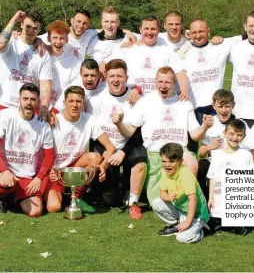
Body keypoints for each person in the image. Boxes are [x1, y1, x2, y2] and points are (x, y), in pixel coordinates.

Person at [113, 67, 213, 206]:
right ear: (155, 82)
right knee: (157, 202)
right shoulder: (145, 101)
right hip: (155, 155)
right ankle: (136, 199)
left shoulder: (184, 102)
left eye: (167, 82)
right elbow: (129, 131)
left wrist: (204, 128)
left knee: (192, 164)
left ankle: (188, 203)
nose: (163, 86)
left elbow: (195, 136)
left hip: (179, 152)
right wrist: (119, 124)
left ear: (174, 84)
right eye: (160, 82)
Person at [87, 59, 147, 219]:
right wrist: (103, 157)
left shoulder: (136, 99)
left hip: (128, 145)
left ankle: (132, 194)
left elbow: (139, 133)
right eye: (112, 76)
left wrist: (122, 152)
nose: (115, 80)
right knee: (110, 200)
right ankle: (112, 184)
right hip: (107, 147)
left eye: (119, 76)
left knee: (140, 156)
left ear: (127, 78)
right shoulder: (96, 99)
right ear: (105, 77)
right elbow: (93, 132)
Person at [0, 83, 55, 217]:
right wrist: (5, 170)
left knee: (36, 212)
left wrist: (38, 178)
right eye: (25, 99)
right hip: (5, 171)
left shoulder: (43, 126)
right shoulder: (5, 115)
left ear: (38, 102)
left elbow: (49, 156)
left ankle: (11, 200)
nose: (29, 103)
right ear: (19, 99)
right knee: (5, 183)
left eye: (33, 99)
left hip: (27, 177)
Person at [46, 86, 115, 214]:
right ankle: (63, 195)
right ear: (64, 102)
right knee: (53, 208)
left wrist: (104, 165)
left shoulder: (89, 120)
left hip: (75, 168)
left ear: (83, 103)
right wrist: (50, 169)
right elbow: (42, 150)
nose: (74, 105)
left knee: (95, 158)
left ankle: (77, 197)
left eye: (78, 101)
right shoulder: (54, 120)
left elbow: (110, 147)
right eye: (71, 101)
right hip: (55, 170)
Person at [109, 15, 190, 100]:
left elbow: (180, 73)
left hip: (159, 102)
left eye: (153, 29)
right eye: (146, 29)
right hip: (132, 100)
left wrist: (184, 91)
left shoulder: (166, 50)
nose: (149, 32)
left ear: (158, 30)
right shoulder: (128, 48)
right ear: (140, 30)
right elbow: (109, 68)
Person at [0, 10, 52, 122]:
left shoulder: (43, 53)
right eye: (28, 26)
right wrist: (13, 19)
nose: (31, 31)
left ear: (39, 30)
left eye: (35, 28)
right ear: (21, 24)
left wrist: (44, 106)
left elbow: (45, 85)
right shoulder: (11, 42)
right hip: (2, 104)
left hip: (27, 109)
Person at [197, 89, 252, 199]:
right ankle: (206, 202)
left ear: (233, 105)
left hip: (235, 162)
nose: (224, 110)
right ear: (214, 106)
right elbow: (201, 153)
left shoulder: (240, 123)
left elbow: (249, 150)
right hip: (216, 163)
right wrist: (209, 147)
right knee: (201, 165)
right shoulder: (210, 123)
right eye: (220, 106)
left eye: (227, 106)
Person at [152, 143, 210, 243]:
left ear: (180, 161)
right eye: (164, 161)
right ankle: (178, 225)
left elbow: (193, 199)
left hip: (197, 214)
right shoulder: (165, 171)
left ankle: (202, 230)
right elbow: (162, 194)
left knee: (181, 238)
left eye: (171, 161)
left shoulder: (185, 175)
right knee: (156, 203)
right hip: (181, 210)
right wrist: (168, 197)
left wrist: (188, 222)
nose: (167, 164)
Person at [207, 119, 254, 235]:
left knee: (237, 225)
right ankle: (223, 224)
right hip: (218, 199)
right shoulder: (216, 154)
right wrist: (210, 198)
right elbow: (212, 177)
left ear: (244, 136)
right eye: (231, 134)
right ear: (225, 133)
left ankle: (237, 225)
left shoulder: (246, 155)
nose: (234, 138)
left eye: (239, 135)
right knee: (213, 224)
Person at [44, 20, 81, 112]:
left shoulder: (74, 61)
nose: (58, 42)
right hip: (39, 108)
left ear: (67, 39)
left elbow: (73, 89)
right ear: (49, 38)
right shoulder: (41, 55)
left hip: (59, 110)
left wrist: (57, 110)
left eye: (62, 38)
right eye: (55, 37)